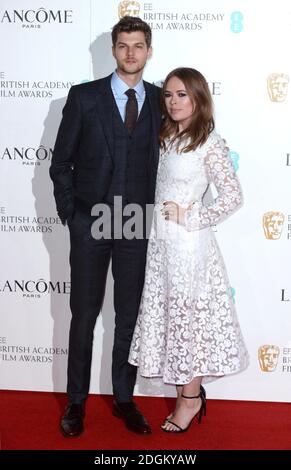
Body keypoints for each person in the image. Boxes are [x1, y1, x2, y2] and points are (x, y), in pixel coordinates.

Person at [50, 16, 161, 436]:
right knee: (83, 315)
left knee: (129, 316)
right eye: (123, 45)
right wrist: (72, 216)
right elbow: (61, 163)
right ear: (112, 50)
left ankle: (124, 398)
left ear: (149, 51)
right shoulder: (84, 98)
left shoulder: (158, 100)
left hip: (137, 222)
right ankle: (75, 403)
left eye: (138, 45)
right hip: (90, 220)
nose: (130, 53)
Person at [129, 67, 249, 433]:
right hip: (161, 245)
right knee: (172, 319)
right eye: (168, 94)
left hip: (189, 248)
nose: (174, 101)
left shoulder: (209, 143)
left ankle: (190, 399)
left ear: (198, 98)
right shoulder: (164, 137)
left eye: (182, 94)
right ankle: (187, 393)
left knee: (189, 323)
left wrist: (190, 214)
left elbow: (233, 197)